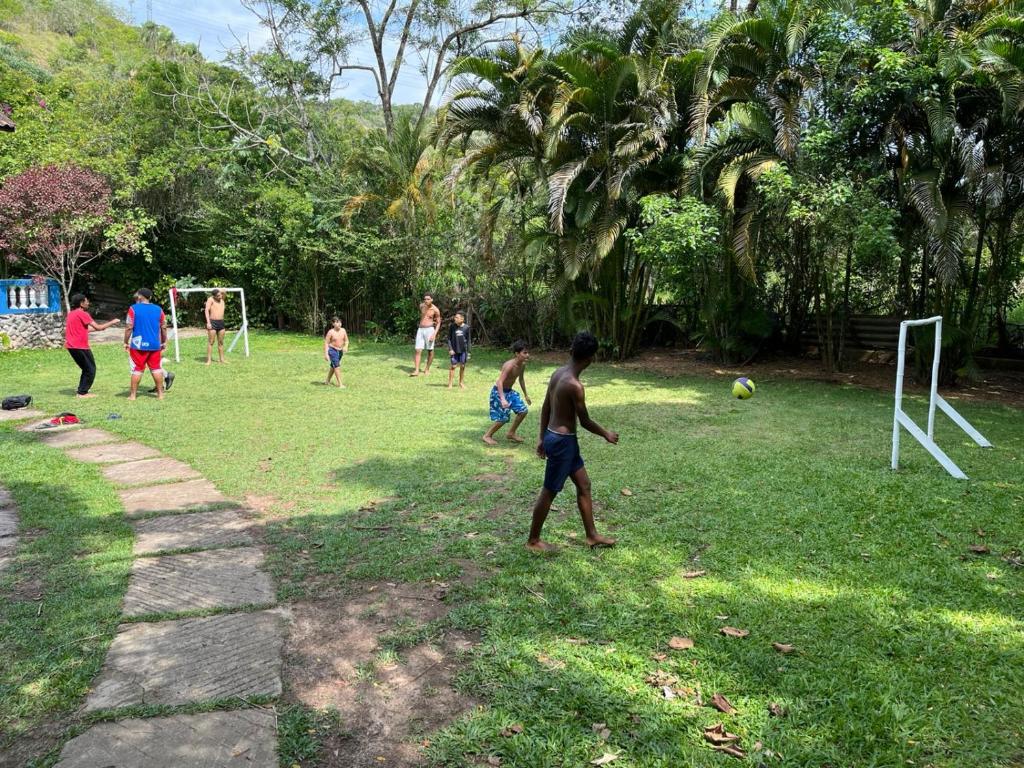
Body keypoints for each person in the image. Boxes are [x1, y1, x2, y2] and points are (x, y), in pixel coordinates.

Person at [527, 331, 618, 552]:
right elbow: (584, 421)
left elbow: (546, 407)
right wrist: (606, 433)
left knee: (584, 485)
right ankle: (533, 541)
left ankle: (592, 535)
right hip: (562, 443)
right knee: (549, 491)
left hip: (558, 438)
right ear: (591, 359)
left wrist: (541, 436)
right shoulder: (575, 385)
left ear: (571, 351)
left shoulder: (558, 373)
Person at [64, 293, 120, 398]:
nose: (88, 303)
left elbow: (86, 329)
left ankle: (82, 389)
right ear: (81, 303)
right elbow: (98, 327)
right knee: (90, 369)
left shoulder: (72, 313)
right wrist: (112, 322)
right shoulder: (83, 313)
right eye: (86, 301)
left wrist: (103, 327)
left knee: (86, 368)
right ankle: (82, 393)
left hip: (72, 347)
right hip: (80, 346)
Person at [483, 341, 532, 445]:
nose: (527, 355)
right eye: (525, 353)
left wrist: (526, 395)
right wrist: (502, 399)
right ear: (517, 354)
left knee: (523, 411)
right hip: (498, 392)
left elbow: (521, 379)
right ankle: (487, 435)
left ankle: (511, 433)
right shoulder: (509, 365)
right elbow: (499, 382)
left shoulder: (522, 365)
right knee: (503, 418)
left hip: (509, 392)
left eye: (528, 352)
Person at [123, 288, 167, 401]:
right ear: (150, 297)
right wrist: (163, 341)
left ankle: (133, 396)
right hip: (154, 345)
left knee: (137, 369)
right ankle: (161, 395)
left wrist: (125, 341)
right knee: (156, 368)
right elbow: (164, 327)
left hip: (138, 345)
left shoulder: (133, 308)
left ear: (140, 297)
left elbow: (129, 327)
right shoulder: (159, 309)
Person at [410, 293, 441, 376]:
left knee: (430, 350)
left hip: (430, 330)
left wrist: (434, 334)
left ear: (432, 299)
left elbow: (438, 323)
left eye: (428, 299)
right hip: (420, 329)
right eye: (425, 299)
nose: (426, 301)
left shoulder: (435, 310)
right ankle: (416, 370)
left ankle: (427, 369)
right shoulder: (422, 306)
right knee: (417, 350)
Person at [447, 311, 471, 390]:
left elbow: (468, 341)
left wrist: (469, 352)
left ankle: (461, 383)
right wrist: (450, 349)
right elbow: (449, 339)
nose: (455, 319)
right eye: (455, 317)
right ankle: (450, 384)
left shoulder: (466, 328)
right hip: (454, 350)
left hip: (463, 351)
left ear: (462, 319)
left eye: (457, 317)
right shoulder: (452, 326)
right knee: (453, 366)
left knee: (463, 366)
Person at [324, 316, 349, 388]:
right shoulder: (330, 332)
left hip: (340, 351)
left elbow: (347, 341)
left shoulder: (343, 330)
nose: (339, 324)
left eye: (340, 322)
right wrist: (326, 354)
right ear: (333, 324)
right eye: (337, 322)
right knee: (337, 366)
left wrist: (345, 346)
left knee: (333, 366)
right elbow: (326, 343)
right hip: (332, 350)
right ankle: (340, 384)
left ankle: (327, 381)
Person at [204, 289, 227, 365]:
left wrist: (220, 291)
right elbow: (206, 310)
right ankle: (209, 360)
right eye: (218, 296)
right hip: (213, 322)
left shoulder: (222, 298)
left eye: (220, 295)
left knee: (221, 342)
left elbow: (224, 290)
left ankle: (222, 359)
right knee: (211, 342)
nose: (220, 296)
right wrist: (208, 322)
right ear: (214, 296)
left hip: (221, 322)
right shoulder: (210, 299)